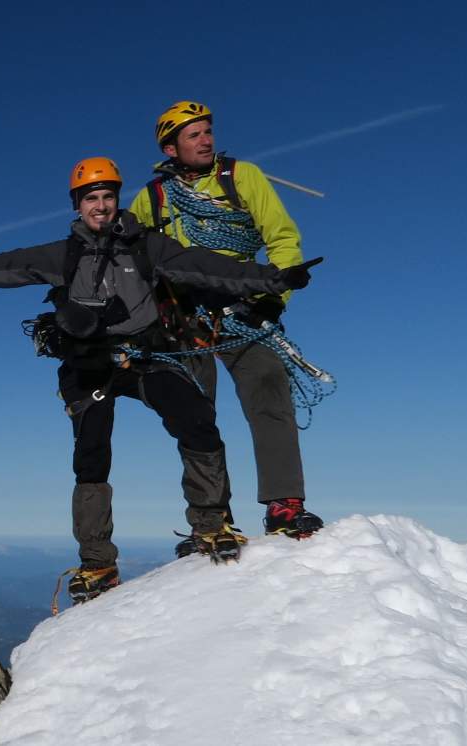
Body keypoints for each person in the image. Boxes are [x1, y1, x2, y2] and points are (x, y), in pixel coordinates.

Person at [0, 157, 322, 605]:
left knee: (195, 418)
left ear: (117, 200)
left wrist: (274, 279)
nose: (99, 206)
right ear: (78, 206)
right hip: (88, 365)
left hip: (144, 357)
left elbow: (209, 268)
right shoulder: (62, 255)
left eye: (106, 196)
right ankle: (97, 560)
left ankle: (210, 521)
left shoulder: (149, 247)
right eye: (90, 198)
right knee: (92, 453)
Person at [128, 101, 325, 545]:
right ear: (171, 147)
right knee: (193, 412)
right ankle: (211, 517)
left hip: (244, 306)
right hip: (181, 314)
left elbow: (282, 237)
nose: (206, 139)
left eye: (207, 131)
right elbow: (131, 258)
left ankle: (284, 503)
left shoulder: (242, 177)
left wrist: (275, 299)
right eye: (194, 134)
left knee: (269, 384)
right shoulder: (152, 199)